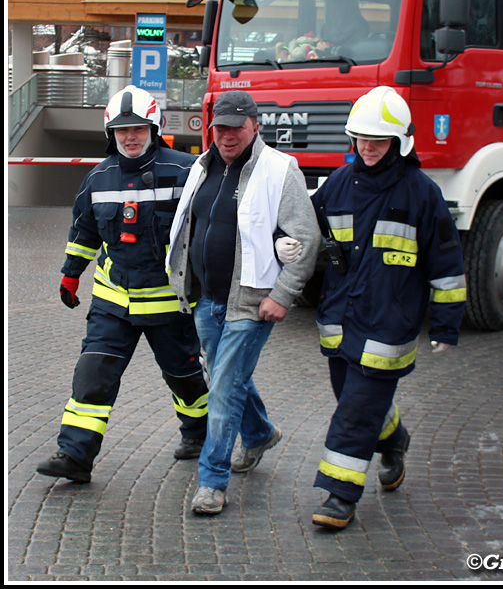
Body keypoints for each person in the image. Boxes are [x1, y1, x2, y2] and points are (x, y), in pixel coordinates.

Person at [307, 86, 466, 530]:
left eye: (379, 140)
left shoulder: (422, 193)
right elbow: (306, 230)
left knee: (355, 411)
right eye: (361, 138)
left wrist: (447, 326)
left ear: (400, 142)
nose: (370, 147)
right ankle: (394, 439)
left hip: (388, 326)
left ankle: (340, 495)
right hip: (339, 321)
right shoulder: (338, 184)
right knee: (353, 400)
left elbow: (447, 265)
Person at [37, 86, 209, 484]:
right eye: (121, 130)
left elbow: (206, 230)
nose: (130, 137)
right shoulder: (98, 177)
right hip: (113, 304)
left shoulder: (187, 172)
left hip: (169, 306)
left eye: (137, 129)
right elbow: (84, 231)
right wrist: (70, 273)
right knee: (92, 375)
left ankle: (198, 435)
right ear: (110, 134)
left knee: (185, 379)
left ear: (154, 128)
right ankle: (75, 455)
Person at [166, 89, 320, 516]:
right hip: (205, 301)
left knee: (222, 390)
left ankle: (212, 481)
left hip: (252, 305)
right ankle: (259, 434)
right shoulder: (202, 166)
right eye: (220, 127)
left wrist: (282, 295)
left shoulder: (279, 169)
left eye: (236, 127)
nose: (227, 136)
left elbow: (306, 241)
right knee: (227, 378)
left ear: (255, 126)